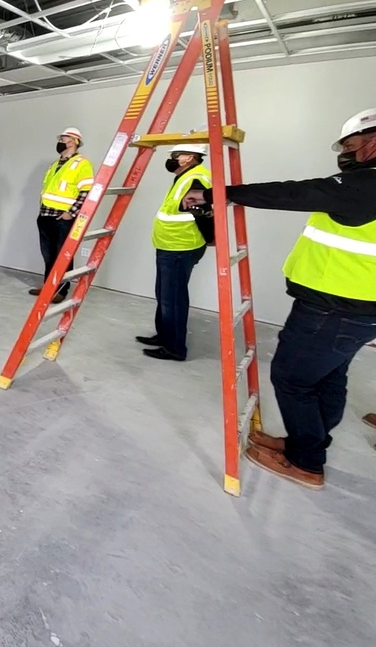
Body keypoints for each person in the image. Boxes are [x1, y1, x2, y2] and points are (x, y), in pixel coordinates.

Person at [182, 107, 376, 489]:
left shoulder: (366, 186)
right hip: (350, 307)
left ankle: (305, 462)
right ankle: (310, 444)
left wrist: (221, 193)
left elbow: (293, 192)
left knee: (292, 378)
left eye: (352, 146)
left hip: (335, 306)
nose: (346, 154)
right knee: (328, 377)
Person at [135, 142, 213, 361]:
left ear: (190, 157)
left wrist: (210, 238)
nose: (172, 159)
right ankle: (164, 335)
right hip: (170, 246)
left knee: (174, 299)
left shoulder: (195, 178)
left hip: (181, 247)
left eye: (176, 155)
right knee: (164, 295)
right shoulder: (185, 176)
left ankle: (175, 348)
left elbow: (204, 213)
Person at [30, 127, 93, 301]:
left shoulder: (82, 163)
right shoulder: (54, 164)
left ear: (74, 141)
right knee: (48, 255)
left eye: (64, 139)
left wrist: (70, 213)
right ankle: (48, 286)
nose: (60, 142)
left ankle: (62, 290)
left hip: (62, 219)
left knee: (63, 255)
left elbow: (86, 191)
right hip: (45, 216)